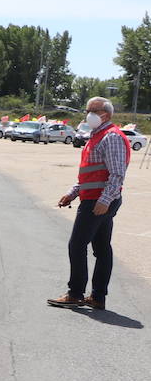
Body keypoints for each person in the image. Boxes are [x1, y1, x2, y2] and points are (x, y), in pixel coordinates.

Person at [47, 97, 130, 310]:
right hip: (93, 197)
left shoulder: (111, 137)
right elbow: (89, 174)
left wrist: (104, 200)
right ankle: (98, 297)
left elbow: (117, 174)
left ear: (106, 114)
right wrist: (72, 193)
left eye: (94, 110)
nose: (89, 113)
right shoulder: (96, 136)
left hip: (98, 200)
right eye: (88, 110)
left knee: (77, 245)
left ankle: (75, 293)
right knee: (102, 249)